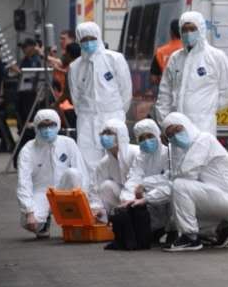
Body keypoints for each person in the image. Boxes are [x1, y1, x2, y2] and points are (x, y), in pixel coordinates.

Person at [161, 112, 228, 251]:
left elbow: (185, 175)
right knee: (180, 203)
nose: (176, 136)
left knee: (180, 186)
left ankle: (190, 238)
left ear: (186, 125)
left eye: (177, 130)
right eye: (171, 135)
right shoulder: (187, 148)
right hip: (220, 196)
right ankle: (219, 229)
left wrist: (147, 198)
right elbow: (176, 174)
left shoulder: (203, 140)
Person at [155, 12, 228, 136]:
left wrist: (207, 108)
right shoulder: (175, 59)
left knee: (201, 149)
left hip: (204, 128)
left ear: (201, 29)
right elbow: (164, 94)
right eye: (184, 30)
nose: (188, 33)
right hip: (177, 129)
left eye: (192, 29)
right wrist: (166, 124)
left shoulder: (216, 57)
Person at [16, 109, 90, 238]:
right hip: (41, 192)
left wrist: (87, 204)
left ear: (58, 125)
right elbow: (24, 181)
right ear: (36, 127)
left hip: (64, 190)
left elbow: (82, 172)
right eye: (43, 126)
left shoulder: (68, 143)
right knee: (30, 223)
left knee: (73, 173)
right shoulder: (28, 150)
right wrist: (29, 211)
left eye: (51, 125)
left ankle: (74, 219)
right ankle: (43, 223)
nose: (47, 130)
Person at [68, 22, 132, 171]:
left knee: (117, 157)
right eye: (84, 40)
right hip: (87, 119)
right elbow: (75, 96)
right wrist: (85, 114)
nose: (88, 43)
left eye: (91, 38)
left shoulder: (114, 59)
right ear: (79, 41)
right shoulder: (75, 66)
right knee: (87, 161)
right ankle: (90, 187)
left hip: (112, 115)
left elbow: (125, 90)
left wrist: (117, 111)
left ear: (98, 37)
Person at [121, 118, 172, 236]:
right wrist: (127, 198)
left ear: (157, 135)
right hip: (147, 197)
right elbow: (133, 178)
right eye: (142, 139)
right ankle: (155, 231)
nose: (147, 141)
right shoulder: (141, 157)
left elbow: (168, 178)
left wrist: (144, 184)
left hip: (165, 197)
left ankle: (172, 230)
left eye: (150, 136)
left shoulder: (168, 153)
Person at [91, 118, 139, 219]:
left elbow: (137, 180)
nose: (104, 137)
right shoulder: (104, 163)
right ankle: (110, 219)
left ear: (120, 135)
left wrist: (127, 197)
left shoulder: (135, 153)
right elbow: (95, 188)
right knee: (106, 186)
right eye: (103, 133)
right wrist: (96, 208)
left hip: (141, 196)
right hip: (122, 200)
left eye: (109, 133)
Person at [9, 38, 44, 141]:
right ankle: (23, 138)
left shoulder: (35, 60)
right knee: (21, 118)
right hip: (22, 94)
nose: (23, 49)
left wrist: (18, 71)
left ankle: (29, 138)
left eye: (25, 47)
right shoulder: (24, 60)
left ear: (32, 47)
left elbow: (31, 78)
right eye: (22, 47)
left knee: (29, 118)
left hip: (30, 95)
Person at [150, 19, 181, 87]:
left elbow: (153, 78)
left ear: (171, 32)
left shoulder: (160, 52)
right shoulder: (189, 50)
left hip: (167, 89)